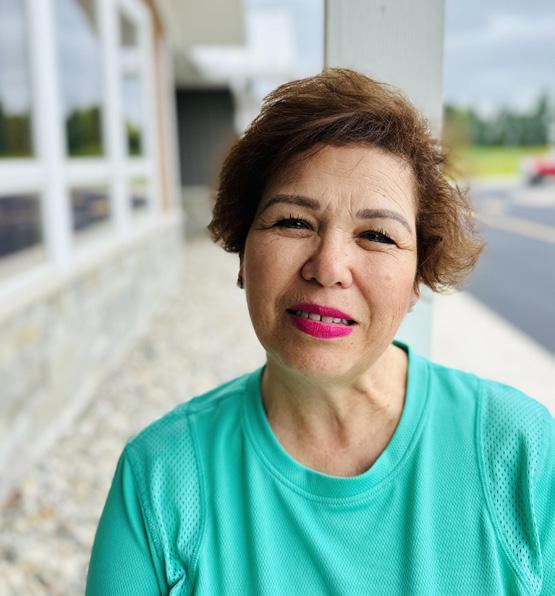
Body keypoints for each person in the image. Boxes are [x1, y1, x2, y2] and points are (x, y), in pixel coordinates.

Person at [85, 69, 554, 595]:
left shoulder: (521, 450)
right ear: (242, 254)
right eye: (293, 222)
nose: (329, 267)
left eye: (377, 235)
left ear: (418, 279)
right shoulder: (161, 476)